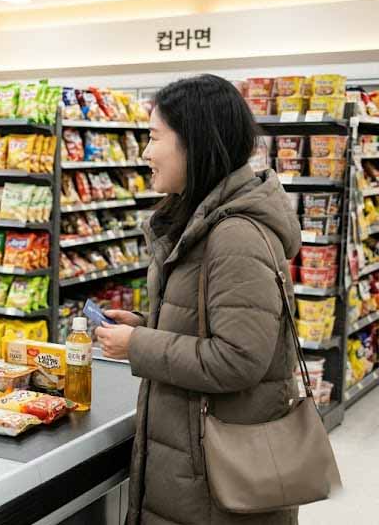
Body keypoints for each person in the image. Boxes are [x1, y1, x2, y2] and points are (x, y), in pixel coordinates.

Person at [95, 75, 301, 524]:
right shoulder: (202, 221)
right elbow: (211, 322)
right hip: (194, 466)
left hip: (216, 484)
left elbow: (239, 359)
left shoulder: (235, 235)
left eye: (153, 138)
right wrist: (147, 322)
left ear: (196, 142)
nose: (145, 153)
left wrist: (137, 345)